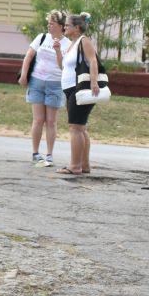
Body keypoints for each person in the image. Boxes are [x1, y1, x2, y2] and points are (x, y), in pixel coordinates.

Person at [19, 10, 70, 167]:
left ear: (61, 26)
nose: (49, 26)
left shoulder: (68, 44)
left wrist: (57, 51)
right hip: (37, 81)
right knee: (38, 119)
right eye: (48, 23)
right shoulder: (41, 38)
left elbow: (65, 67)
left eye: (52, 23)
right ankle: (35, 153)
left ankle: (49, 155)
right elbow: (28, 56)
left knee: (51, 121)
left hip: (55, 84)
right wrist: (23, 75)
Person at [58, 12, 101, 175]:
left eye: (67, 25)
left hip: (80, 88)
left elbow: (93, 61)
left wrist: (94, 82)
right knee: (80, 128)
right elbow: (63, 67)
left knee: (75, 128)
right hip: (70, 89)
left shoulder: (84, 41)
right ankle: (84, 165)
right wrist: (57, 51)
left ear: (76, 28)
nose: (65, 28)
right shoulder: (73, 43)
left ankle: (74, 165)